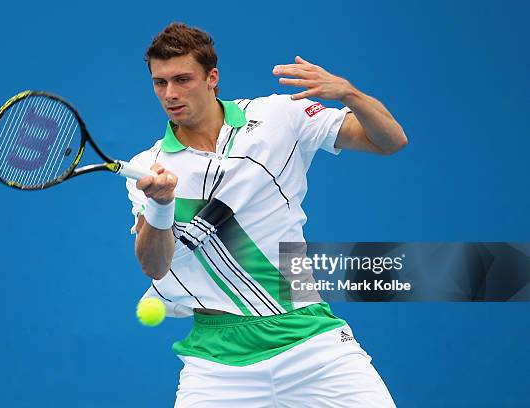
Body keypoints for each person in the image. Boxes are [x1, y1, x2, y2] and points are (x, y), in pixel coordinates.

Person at [126, 22, 407, 408]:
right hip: (217, 363)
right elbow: (155, 266)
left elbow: (390, 141)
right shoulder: (149, 166)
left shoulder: (279, 115)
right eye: (160, 83)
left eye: (182, 79)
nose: (170, 94)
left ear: (212, 78)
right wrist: (160, 205)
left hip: (311, 342)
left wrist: (348, 93)